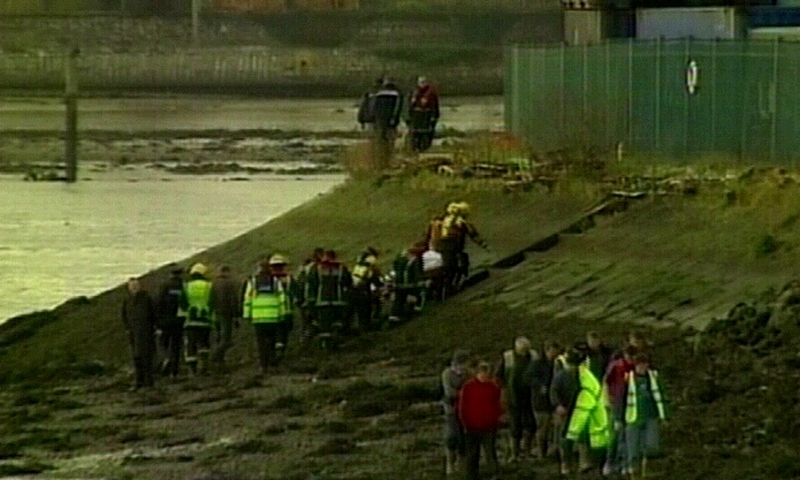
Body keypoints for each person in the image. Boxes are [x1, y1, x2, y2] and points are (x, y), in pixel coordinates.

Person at [565, 343, 610, 476]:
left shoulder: (591, 367)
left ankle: (593, 463)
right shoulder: (573, 370)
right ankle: (583, 462)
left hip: (589, 404)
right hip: (582, 405)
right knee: (581, 435)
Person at [623, 353, 666, 480]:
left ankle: (645, 469)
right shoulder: (628, 379)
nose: (642, 368)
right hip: (633, 417)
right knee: (633, 447)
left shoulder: (653, 377)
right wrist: (618, 417)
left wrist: (663, 415)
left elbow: (660, 396)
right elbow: (621, 398)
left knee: (651, 446)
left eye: (644, 365)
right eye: (639, 365)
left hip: (650, 416)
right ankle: (633, 471)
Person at [495, 336, 538, 463]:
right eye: (522, 350)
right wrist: (503, 392)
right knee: (515, 425)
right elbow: (498, 376)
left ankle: (527, 450)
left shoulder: (534, 356)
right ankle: (515, 453)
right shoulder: (507, 357)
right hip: (512, 397)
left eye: (526, 349)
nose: (524, 352)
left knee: (531, 424)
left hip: (530, 395)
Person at [458, 361, 503, 480]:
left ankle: (494, 474)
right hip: (472, 425)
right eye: (482, 374)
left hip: (489, 426)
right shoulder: (468, 387)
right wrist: (465, 422)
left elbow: (497, 405)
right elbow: (463, 406)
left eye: (486, 374)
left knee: (490, 452)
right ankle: (472, 475)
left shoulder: (493, 387)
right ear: (477, 373)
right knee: (472, 454)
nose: (484, 377)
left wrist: (495, 419)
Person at [433, 202, 488, 299]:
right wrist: (484, 245)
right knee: (456, 268)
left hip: (437, 249)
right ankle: (449, 289)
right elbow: (474, 236)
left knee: (443, 270)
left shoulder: (438, 221)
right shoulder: (463, 223)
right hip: (451, 250)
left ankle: (439, 289)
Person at [243, 259, 286, 375]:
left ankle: (263, 365)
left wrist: (247, 315)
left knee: (261, 343)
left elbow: (247, 299)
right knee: (271, 341)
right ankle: (273, 364)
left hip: (258, 318)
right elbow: (282, 299)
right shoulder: (276, 282)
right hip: (273, 317)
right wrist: (282, 314)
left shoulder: (252, 282)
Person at [306, 249, 352, 349]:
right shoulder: (341, 268)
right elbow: (348, 282)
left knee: (324, 326)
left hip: (322, 301)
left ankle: (325, 345)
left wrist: (311, 301)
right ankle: (336, 343)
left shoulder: (317, 268)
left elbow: (312, 283)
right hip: (338, 300)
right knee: (337, 323)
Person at [603, 345, 638, 476]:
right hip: (617, 403)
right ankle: (610, 462)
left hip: (630, 404)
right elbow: (606, 382)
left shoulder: (635, 367)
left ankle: (625, 463)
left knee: (628, 436)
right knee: (616, 434)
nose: (631, 359)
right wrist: (607, 399)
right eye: (629, 357)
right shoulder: (616, 366)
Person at [526, 340, 563, 460]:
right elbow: (527, 378)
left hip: (554, 400)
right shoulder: (537, 364)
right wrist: (539, 386)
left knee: (557, 427)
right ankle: (542, 452)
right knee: (543, 428)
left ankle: (556, 450)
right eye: (553, 351)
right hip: (541, 401)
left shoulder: (558, 364)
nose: (555, 354)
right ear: (547, 350)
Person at [550, 345, 583, 476]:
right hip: (565, 410)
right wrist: (558, 405)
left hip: (578, 410)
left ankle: (582, 462)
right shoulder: (560, 376)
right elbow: (554, 392)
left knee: (581, 436)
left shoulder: (582, 375)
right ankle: (565, 463)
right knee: (565, 439)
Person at [122, 277, 157, 391]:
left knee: (146, 357)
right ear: (128, 288)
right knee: (136, 357)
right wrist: (127, 328)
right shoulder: (127, 301)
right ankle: (139, 381)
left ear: (140, 286)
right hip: (133, 333)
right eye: (132, 286)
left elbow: (153, 314)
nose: (134, 288)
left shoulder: (146, 298)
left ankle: (148, 382)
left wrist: (155, 328)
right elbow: (124, 315)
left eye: (136, 286)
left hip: (146, 332)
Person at [441, 349, 471, 476]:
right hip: (451, 409)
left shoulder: (468, 373)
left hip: (465, 409)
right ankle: (450, 464)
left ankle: (461, 464)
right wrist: (464, 393)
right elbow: (449, 392)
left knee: (464, 437)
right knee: (451, 436)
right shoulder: (447, 374)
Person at [182, 263, 214, 376]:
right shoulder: (209, 286)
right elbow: (212, 302)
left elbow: (182, 303)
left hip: (190, 320)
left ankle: (192, 370)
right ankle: (204, 367)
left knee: (191, 346)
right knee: (204, 344)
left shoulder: (186, 286)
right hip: (205, 320)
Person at [155, 263, 185, 379]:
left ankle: (166, 358)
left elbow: (158, 303)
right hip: (179, 321)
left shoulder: (164, 286)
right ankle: (174, 372)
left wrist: (157, 322)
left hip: (165, 321)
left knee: (162, 343)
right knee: (176, 346)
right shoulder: (183, 286)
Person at [209, 265, 240, 370]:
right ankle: (214, 357)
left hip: (215, 314)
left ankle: (220, 362)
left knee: (218, 338)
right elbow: (233, 300)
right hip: (226, 314)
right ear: (227, 272)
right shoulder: (230, 284)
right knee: (226, 340)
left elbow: (211, 300)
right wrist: (236, 316)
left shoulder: (214, 283)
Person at [370, 77, 403, 170]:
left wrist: (373, 118)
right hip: (391, 121)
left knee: (379, 142)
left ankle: (379, 163)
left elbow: (373, 106)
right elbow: (398, 107)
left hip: (380, 120)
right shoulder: (397, 93)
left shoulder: (378, 92)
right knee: (391, 142)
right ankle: (389, 161)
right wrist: (395, 118)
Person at [388, 242, 426, 324]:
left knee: (398, 299)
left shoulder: (400, 257)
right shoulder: (414, 260)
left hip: (398, 283)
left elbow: (394, 268)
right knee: (415, 295)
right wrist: (419, 282)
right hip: (409, 284)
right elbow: (416, 273)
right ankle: (413, 311)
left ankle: (394, 316)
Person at [267, 254, 295, 358]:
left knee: (274, 334)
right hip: (286, 310)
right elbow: (296, 292)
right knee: (283, 334)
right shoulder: (289, 278)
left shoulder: (268, 279)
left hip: (273, 311)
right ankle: (279, 353)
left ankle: (275, 354)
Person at [349, 247, 383, 332]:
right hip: (363, 285)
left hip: (353, 284)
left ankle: (357, 325)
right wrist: (379, 285)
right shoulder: (372, 261)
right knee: (366, 306)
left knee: (356, 307)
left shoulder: (360, 259)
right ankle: (366, 325)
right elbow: (375, 274)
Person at [297, 248, 325, 345]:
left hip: (310, 297)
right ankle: (308, 337)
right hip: (312, 297)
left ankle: (307, 337)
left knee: (308, 319)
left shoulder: (309, 268)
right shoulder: (314, 268)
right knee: (311, 319)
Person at [407, 76, 440, 152]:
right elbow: (409, 105)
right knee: (415, 133)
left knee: (427, 133)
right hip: (416, 116)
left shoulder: (431, 92)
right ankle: (415, 147)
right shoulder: (414, 92)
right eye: (421, 82)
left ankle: (425, 147)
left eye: (424, 82)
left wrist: (435, 116)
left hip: (427, 115)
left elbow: (435, 104)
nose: (422, 84)